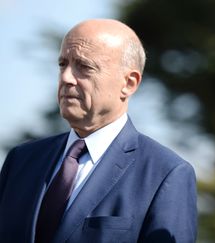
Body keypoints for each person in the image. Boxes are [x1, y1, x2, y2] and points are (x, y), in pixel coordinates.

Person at [0, 19, 197, 243]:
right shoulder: (21, 160)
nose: (66, 77)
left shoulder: (165, 173)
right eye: (63, 64)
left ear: (129, 83)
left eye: (84, 67)